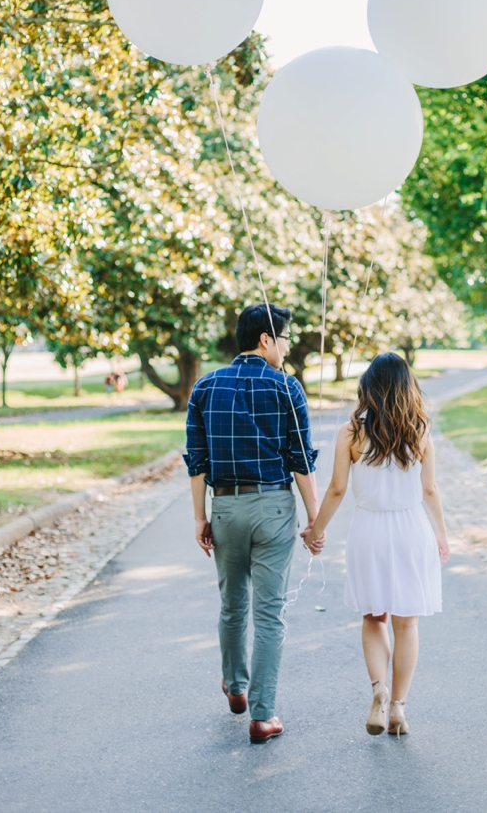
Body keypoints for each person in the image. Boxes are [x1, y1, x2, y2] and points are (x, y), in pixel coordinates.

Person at [184, 303, 322, 745]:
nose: (288, 346)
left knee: (231, 605)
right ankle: (263, 716)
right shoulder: (288, 388)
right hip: (275, 510)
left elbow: (197, 464)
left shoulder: (205, 387)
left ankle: (235, 685)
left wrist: (199, 517)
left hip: (225, 508)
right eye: (284, 338)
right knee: (269, 613)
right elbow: (301, 463)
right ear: (266, 339)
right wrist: (315, 520)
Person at [301, 352, 450, 738]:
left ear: (369, 386)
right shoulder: (419, 429)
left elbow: (336, 489)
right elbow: (430, 489)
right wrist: (441, 534)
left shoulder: (352, 431)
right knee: (407, 622)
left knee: (373, 617)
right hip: (411, 529)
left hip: (368, 532)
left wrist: (315, 529)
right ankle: (399, 707)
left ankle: (378, 691)